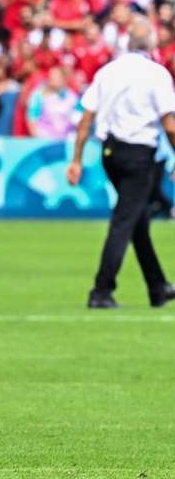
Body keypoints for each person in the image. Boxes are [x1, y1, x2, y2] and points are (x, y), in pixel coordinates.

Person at [67, 17, 175, 309]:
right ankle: (101, 290)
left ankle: (157, 287)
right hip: (139, 154)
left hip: (110, 152)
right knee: (124, 220)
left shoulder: (108, 71)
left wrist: (76, 159)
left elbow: (85, 118)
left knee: (135, 218)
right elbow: (170, 124)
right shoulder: (158, 74)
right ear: (151, 42)